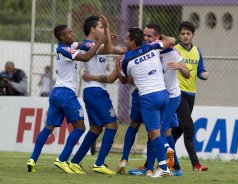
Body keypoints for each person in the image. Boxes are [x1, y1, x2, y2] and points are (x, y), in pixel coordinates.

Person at [26, 24, 106, 173]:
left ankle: (32, 159)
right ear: (62, 37)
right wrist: (100, 42)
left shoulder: (68, 45)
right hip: (66, 94)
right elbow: (87, 56)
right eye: (69, 33)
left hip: (56, 93)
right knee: (80, 127)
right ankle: (62, 160)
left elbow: (83, 44)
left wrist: (101, 40)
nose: (72, 34)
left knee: (48, 128)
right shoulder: (65, 50)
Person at [68, 15, 123, 175]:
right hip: (96, 91)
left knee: (96, 129)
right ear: (93, 30)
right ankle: (99, 163)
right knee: (112, 126)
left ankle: (75, 161)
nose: (102, 30)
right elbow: (109, 49)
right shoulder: (88, 44)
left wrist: (107, 36)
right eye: (99, 27)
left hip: (93, 91)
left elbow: (110, 48)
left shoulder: (92, 45)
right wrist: (107, 31)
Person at [118, 27, 175, 177]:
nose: (125, 41)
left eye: (126, 38)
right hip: (164, 94)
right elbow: (172, 41)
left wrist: (119, 67)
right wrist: (159, 36)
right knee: (157, 131)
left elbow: (124, 80)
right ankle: (155, 166)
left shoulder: (126, 59)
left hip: (148, 97)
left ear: (132, 41)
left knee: (153, 133)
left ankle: (163, 165)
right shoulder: (153, 46)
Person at [172, 21, 209, 172]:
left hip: (191, 95)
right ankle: (196, 165)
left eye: (188, 33)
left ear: (193, 35)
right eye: (182, 33)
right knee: (189, 127)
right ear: (179, 35)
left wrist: (203, 74)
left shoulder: (197, 51)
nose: (185, 36)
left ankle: (168, 161)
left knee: (176, 133)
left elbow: (200, 70)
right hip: (177, 93)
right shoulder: (174, 50)